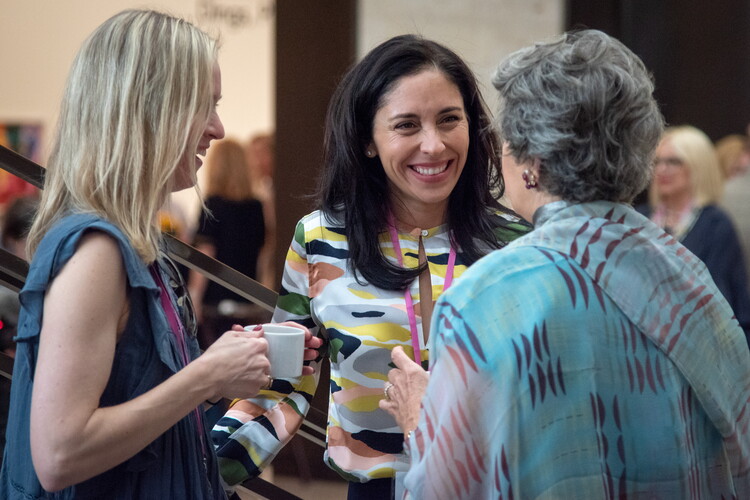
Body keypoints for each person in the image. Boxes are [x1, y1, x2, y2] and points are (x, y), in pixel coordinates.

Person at [381, 29, 750, 498]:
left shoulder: (481, 299)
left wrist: (420, 423)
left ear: (531, 160)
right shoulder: (691, 278)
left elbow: (444, 491)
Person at [0, 10, 320, 499]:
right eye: (202, 106)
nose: (217, 128)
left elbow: (131, 394)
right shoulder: (97, 251)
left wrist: (220, 369)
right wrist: (205, 375)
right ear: (146, 108)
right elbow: (61, 453)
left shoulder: (131, 244)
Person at [211, 34, 531, 498]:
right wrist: (204, 468)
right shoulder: (321, 239)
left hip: (489, 486)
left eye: (449, 120)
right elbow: (285, 379)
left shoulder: (512, 244)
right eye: (406, 125)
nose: (433, 145)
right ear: (367, 141)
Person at [636, 125, 750, 338]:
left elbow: (721, 301)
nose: (662, 169)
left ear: (698, 166)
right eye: (657, 161)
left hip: (700, 342)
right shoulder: (639, 218)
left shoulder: (715, 224)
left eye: (674, 162)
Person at [188, 137, 268, 349]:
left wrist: (194, 297)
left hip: (217, 301)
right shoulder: (257, 206)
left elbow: (205, 253)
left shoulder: (212, 204)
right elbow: (261, 252)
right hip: (247, 300)